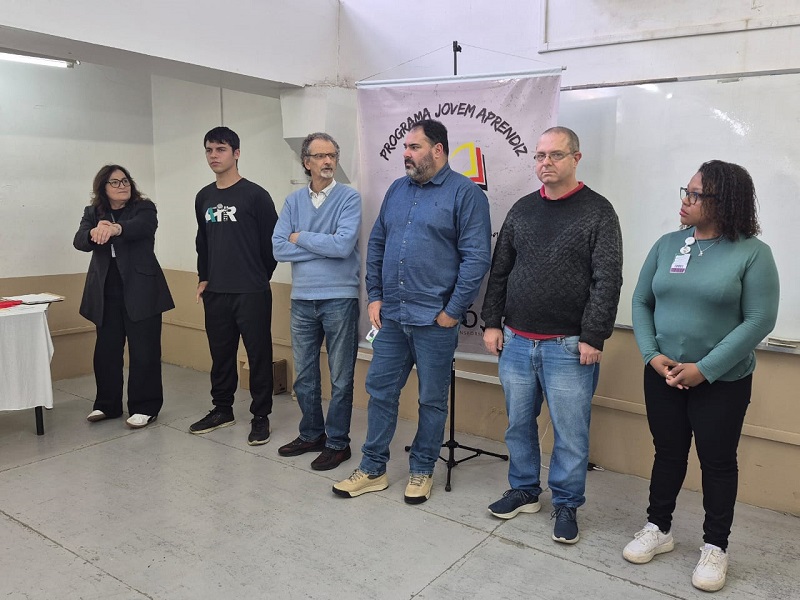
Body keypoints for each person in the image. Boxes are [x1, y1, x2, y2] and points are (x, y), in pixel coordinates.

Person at [623, 160, 779, 592]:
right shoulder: (668, 244)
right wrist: (652, 355)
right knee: (668, 452)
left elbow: (760, 320)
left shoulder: (753, 253)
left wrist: (704, 369)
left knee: (717, 461)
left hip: (722, 381)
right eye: (686, 191)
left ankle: (715, 546)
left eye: (696, 195)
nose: (685, 201)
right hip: (663, 373)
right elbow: (641, 301)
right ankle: (658, 527)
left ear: (724, 202)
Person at [333, 119, 491, 503]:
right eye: (405, 147)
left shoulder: (466, 194)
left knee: (431, 399)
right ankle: (373, 468)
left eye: (414, 147)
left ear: (438, 150)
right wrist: (374, 296)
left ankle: (422, 469)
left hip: (435, 320)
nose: (406, 153)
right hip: (392, 317)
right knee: (380, 391)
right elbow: (377, 243)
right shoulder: (396, 190)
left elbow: (476, 258)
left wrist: (452, 311)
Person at [481, 126, 623, 544]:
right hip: (516, 341)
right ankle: (525, 490)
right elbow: (500, 269)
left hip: (569, 346)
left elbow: (607, 278)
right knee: (518, 425)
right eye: (540, 155)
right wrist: (492, 322)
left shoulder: (598, 212)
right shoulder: (523, 209)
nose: (546, 162)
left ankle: (566, 502)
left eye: (555, 155)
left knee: (570, 433)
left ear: (576, 158)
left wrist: (593, 335)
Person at [273, 132, 361, 471]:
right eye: (320, 156)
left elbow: (343, 246)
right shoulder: (293, 201)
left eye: (332, 156)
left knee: (341, 377)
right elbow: (278, 248)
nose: (327, 162)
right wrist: (323, 245)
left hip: (339, 298)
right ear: (306, 162)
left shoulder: (349, 198)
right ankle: (311, 434)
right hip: (302, 300)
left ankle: (338, 443)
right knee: (305, 375)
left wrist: (301, 237)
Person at [190, 126, 279, 446]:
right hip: (216, 291)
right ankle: (222, 409)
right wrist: (204, 277)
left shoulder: (255, 195)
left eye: (221, 149)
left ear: (236, 153)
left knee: (258, 355)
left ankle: (261, 416)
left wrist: (258, 277)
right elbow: (203, 242)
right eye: (209, 150)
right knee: (221, 355)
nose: (213, 155)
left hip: (251, 290)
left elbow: (271, 244)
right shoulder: (204, 196)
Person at [74, 164, 174, 428]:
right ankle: (107, 404)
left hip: (142, 289)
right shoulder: (92, 213)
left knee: (144, 350)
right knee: (106, 350)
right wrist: (93, 232)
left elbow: (142, 227)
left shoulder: (144, 208)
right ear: (103, 188)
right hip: (106, 290)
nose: (123, 186)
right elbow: (79, 240)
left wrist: (115, 229)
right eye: (115, 182)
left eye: (125, 180)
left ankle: (145, 407)